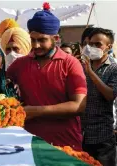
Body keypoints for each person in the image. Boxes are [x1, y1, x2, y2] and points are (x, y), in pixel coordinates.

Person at [6, 5, 87, 151]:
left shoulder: (70, 63)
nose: (36, 45)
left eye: (42, 40)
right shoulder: (20, 64)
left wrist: (36, 111)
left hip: (66, 144)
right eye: (33, 39)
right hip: (29, 143)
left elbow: (79, 105)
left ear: (55, 38)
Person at [81, 28, 117, 166]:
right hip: (82, 134)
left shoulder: (113, 69)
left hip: (103, 137)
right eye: (91, 44)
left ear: (108, 47)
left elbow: (110, 95)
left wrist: (90, 73)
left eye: (98, 44)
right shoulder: (81, 66)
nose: (93, 48)